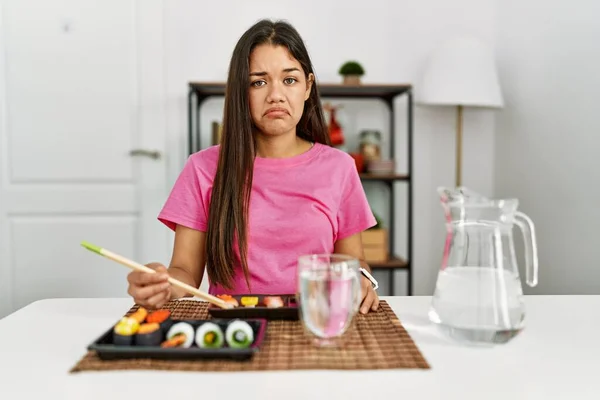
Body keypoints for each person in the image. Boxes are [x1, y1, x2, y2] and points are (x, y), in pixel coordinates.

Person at [126, 19, 380, 314]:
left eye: (290, 80)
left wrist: (361, 278)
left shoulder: (340, 167)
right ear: (241, 92)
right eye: (258, 82)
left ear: (308, 87)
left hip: (316, 321)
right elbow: (184, 272)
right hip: (233, 327)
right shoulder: (202, 168)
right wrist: (160, 284)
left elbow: (353, 262)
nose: (275, 95)